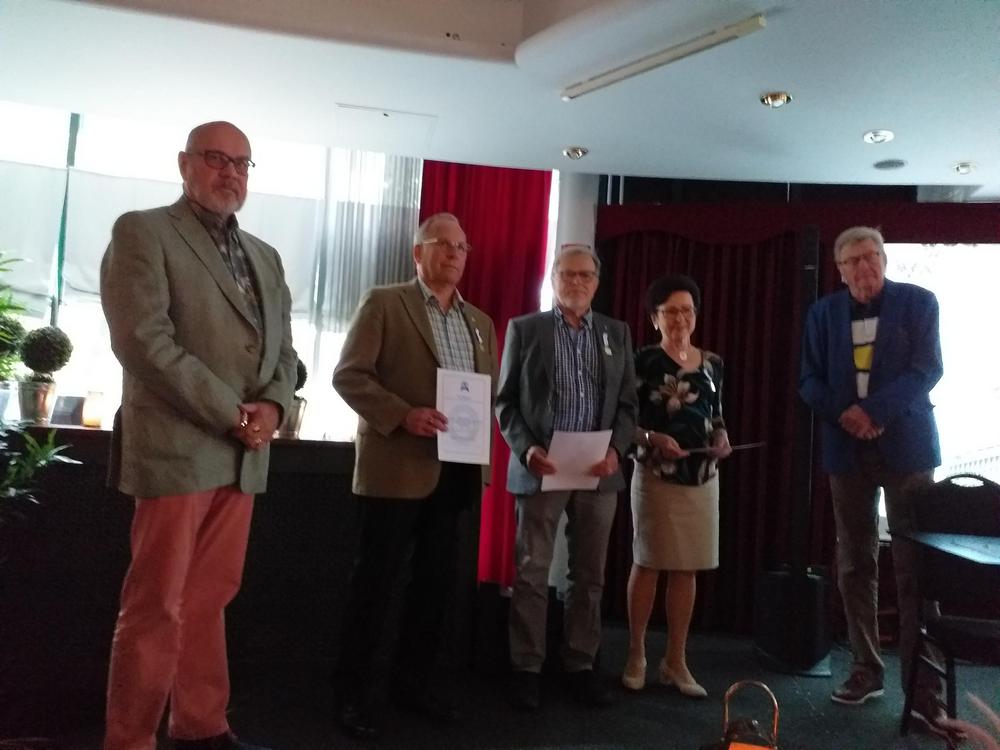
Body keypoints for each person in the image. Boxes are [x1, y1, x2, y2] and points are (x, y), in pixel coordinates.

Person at [100, 121, 298, 750]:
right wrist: (233, 414)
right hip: (178, 450)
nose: (230, 172)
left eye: (242, 163)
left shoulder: (266, 256)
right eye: (216, 158)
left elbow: (284, 354)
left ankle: (201, 726)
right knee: (157, 603)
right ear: (184, 164)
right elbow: (143, 341)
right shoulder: (142, 231)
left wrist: (274, 407)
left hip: (242, 455)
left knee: (209, 599)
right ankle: (130, 740)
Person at [332, 212, 499, 741]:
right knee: (375, 586)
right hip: (395, 468)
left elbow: (485, 396)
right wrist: (402, 414)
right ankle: (352, 695)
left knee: (434, 589)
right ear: (418, 252)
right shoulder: (385, 302)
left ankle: (413, 687)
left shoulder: (481, 322)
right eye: (442, 243)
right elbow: (348, 375)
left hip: (456, 471)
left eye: (462, 246)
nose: (454, 253)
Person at [799, 226, 947, 731]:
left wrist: (874, 411)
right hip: (847, 450)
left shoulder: (919, 302)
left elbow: (927, 369)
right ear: (840, 270)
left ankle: (923, 690)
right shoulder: (822, 314)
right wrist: (848, 414)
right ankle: (866, 669)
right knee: (854, 563)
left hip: (907, 450)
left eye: (872, 256)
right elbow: (809, 380)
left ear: (884, 259)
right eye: (854, 260)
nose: (865, 267)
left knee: (915, 568)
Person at [495, 243, 637, 711]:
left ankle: (579, 664)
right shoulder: (525, 329)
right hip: (542, 469)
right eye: (567, 274)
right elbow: (505, 402)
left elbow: (628, 406)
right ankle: (526, 668)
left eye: (585, 275)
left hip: (599, 472)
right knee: (532, 572)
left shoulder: (617, 332)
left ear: (597, 282)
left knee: (589, 575)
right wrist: (527, 448)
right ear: (552, 279)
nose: (576, 282)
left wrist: (617, 451)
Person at [621, 274, 731, 699]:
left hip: (702, 477)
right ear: (655, 317)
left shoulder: (712, 362)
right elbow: (624, 421)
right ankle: (636, 654)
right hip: (656, 475)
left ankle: (675, 660)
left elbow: (716, 415)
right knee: (648, 562)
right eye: (671, 312)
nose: (680, 319)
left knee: (687, 567)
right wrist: (653, 438)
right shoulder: (642, 360)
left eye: (687, 311)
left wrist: (722, 438)